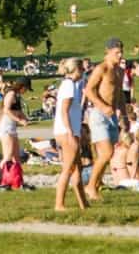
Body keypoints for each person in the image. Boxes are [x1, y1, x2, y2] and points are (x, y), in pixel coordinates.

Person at [83, 39, 128, 202]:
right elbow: (88, 90)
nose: (120, 55)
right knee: (107, 153)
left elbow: (120, 95)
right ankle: (90, 186)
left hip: (113, 116)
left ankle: (96, 184)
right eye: (117, 52)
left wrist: (124, 116)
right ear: (107, 52)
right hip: (99, 114)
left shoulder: (120, 71)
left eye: (121, 52)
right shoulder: (101, 69)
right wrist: (102, 106)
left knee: (106, 155)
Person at [52, 56, 89, 212]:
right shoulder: (68, 85)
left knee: (77, 168)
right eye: (81, 68)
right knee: (68, 168)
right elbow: (63, 111)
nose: (83, 71)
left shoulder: (72, 85)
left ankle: (83, 203)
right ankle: (59, 204)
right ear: (75, 70)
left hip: (71, 130)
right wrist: (70, 132)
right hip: (66, 132)